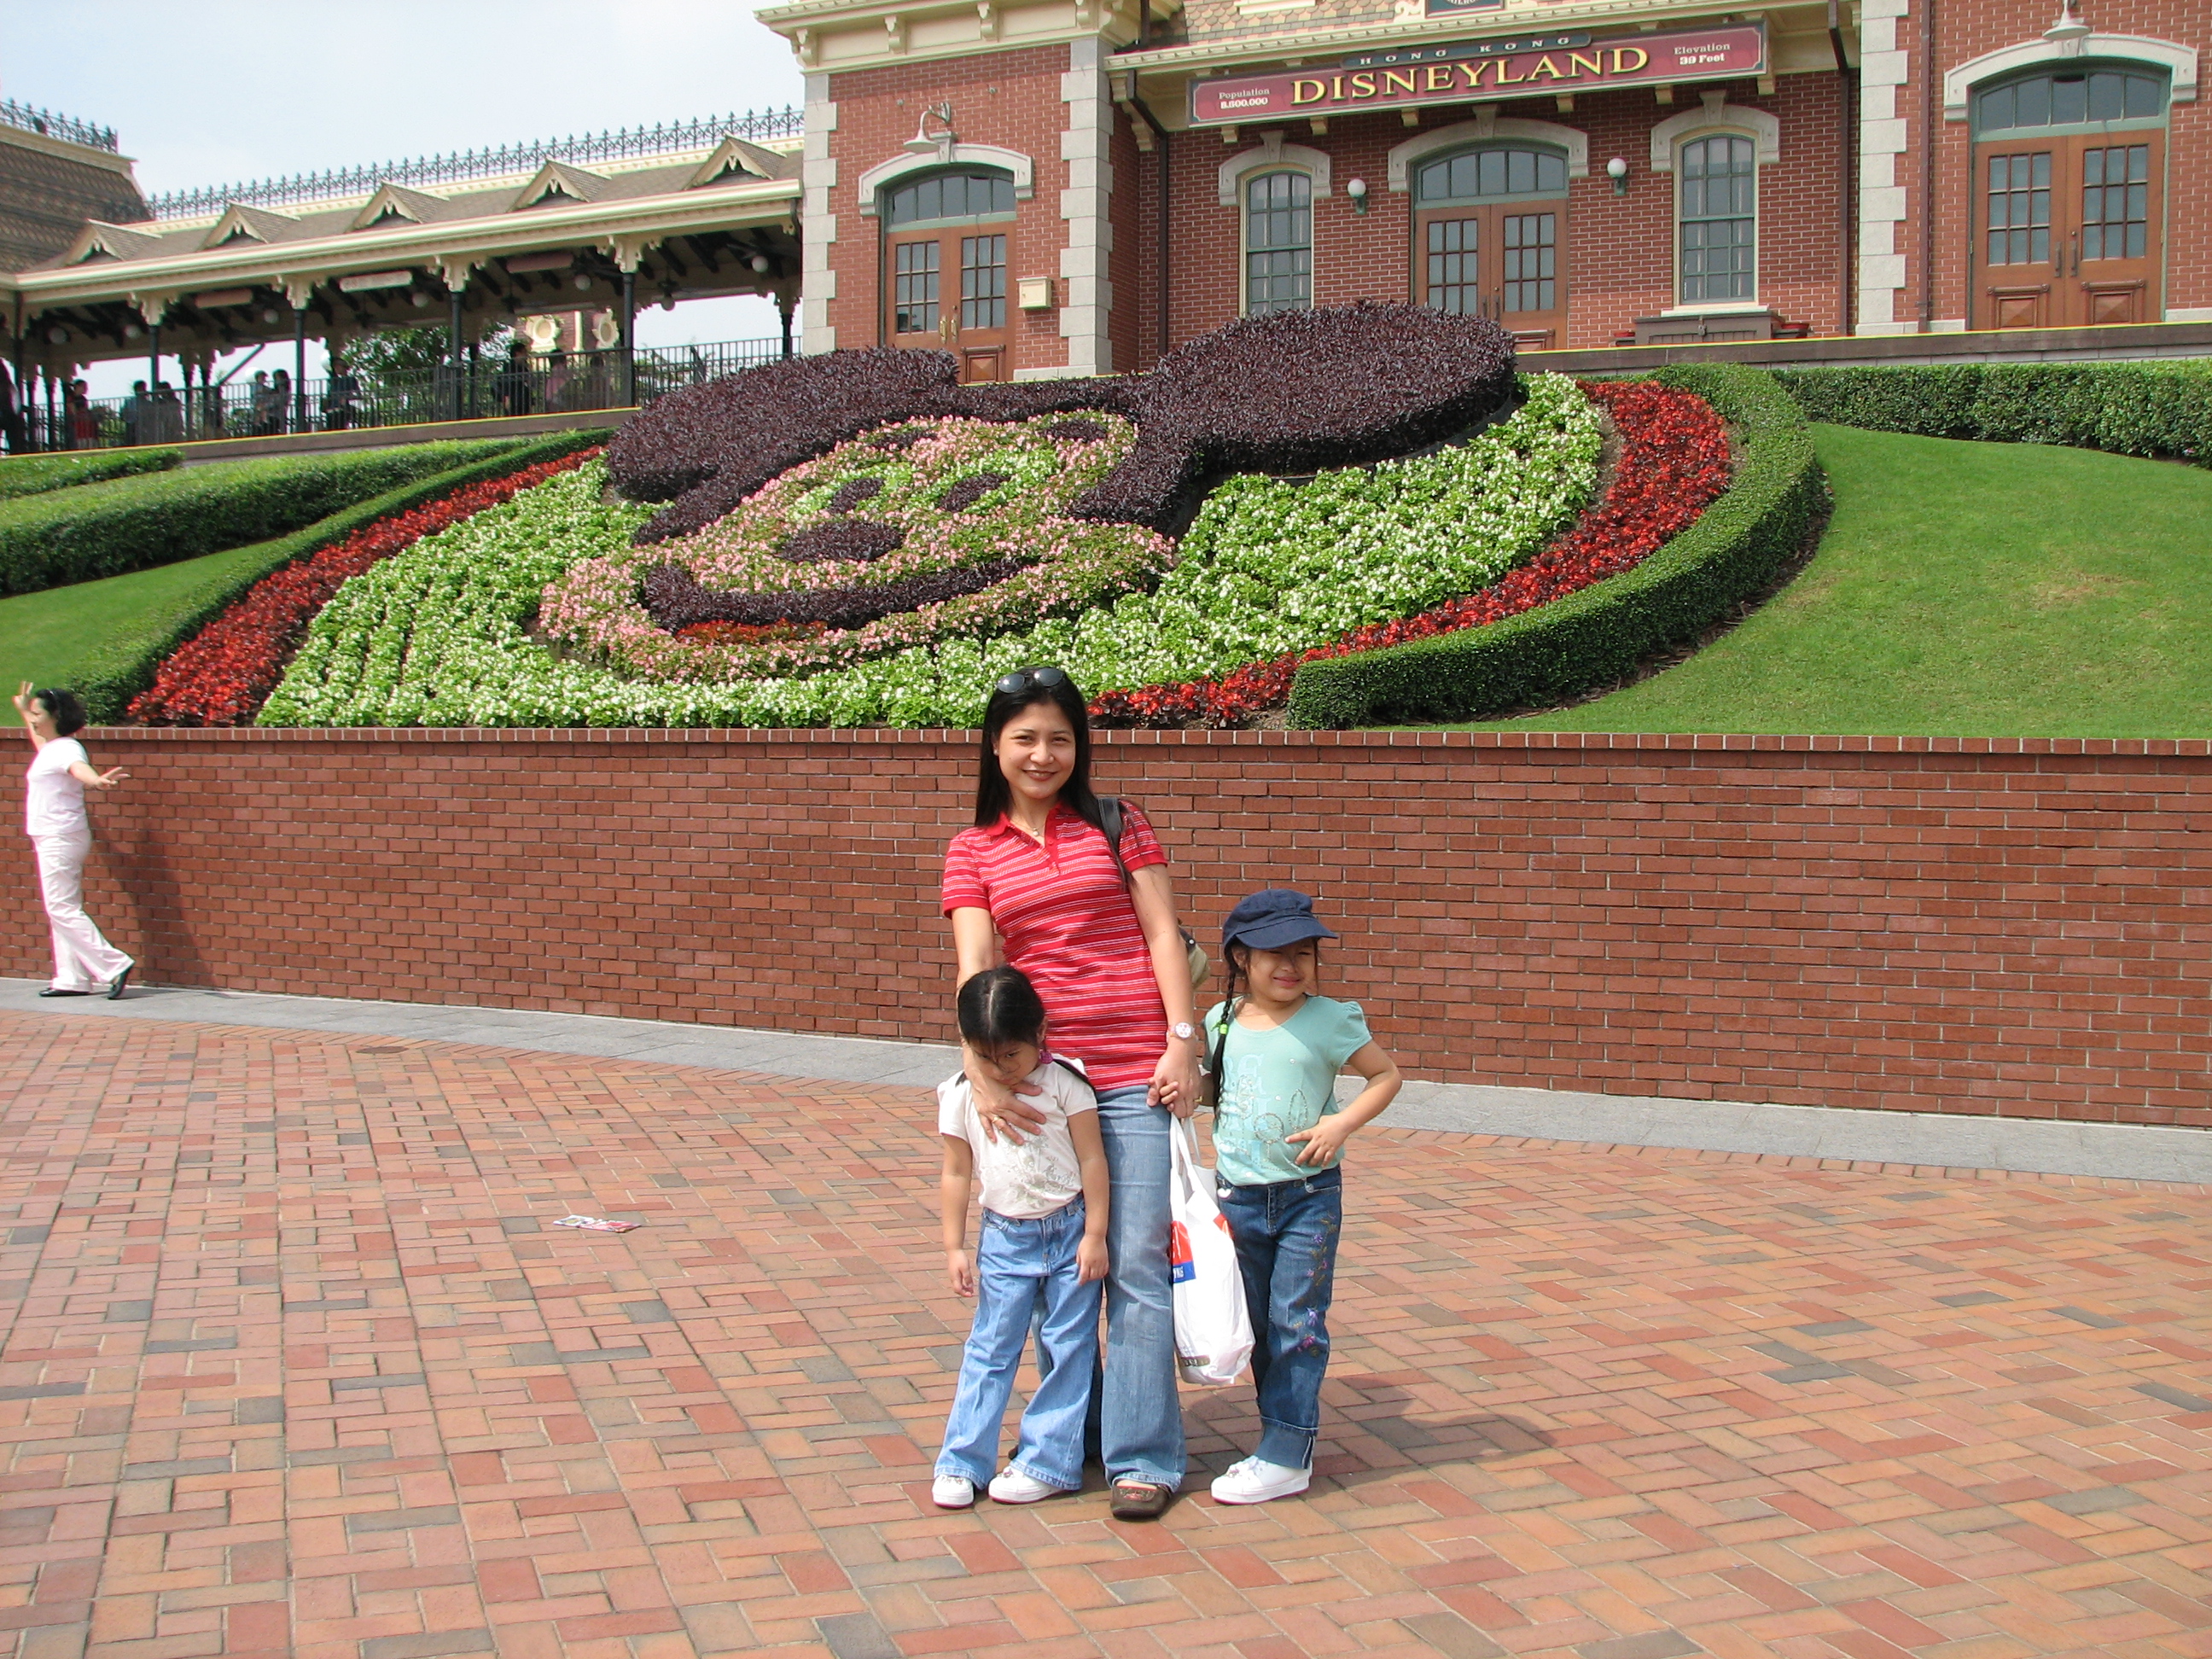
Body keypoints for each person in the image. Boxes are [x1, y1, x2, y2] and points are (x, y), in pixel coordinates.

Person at [942, 664, 1204, 1521]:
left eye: (1060, 738)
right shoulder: (972, 849)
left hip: (1133, 1071)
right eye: (1025, 737)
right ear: (995, 745)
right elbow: (977, 966)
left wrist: (1183, 1041)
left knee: (1134, 1262)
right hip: (1043, 1084)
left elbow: (1161, 934)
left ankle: (1143, 1457)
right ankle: (1077, 1432)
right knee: (1058, 1274)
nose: (1043, 754)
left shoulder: (1117, 823)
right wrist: (982, 1074)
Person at [1202, 888, 1400, 1505]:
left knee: (1298, 1323)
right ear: (1241, 958)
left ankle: (1287, 1452)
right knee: (1260, 1325)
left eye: (1304, 954)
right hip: (1236, 1198)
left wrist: (1341, 1124)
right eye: (1274, 954)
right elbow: (1213, 1091)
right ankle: (1279, 1439)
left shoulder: (1331, 1019)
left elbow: (1386, 1075)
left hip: (1309, 1197)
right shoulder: (1219, 1021)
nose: (1291, 966)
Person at [933, 966, 1110, 1510]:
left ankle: (1048, 1460)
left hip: (1070, 1230)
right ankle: (962, 1462)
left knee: (1069, 1347)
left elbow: (1092, 1159)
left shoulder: (1067, 1084)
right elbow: (955, 1171)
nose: (1001, 1068)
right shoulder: (961, 1095)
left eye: (1011, 1054)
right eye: (986, 1057)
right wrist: (954, 1246)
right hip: (1005, 1239)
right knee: (990, 1347)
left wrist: (1096, 1233)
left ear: (1041, 1033)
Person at [13, 683, 132, 1000]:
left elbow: (79, 769)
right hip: (52, 835)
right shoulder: (52, 748)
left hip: (60, 836)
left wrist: (97, 780)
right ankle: (71, 978)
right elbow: (41, 741)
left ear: (55, 716)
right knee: (62, 908)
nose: (34, 720)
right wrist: (24, 711)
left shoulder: (67, 749)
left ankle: (115, 964)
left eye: (38, 714)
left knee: (60, 908)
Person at [323, 353, 359, 431]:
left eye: (338, 366)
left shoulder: (350, 379)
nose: (336, 369)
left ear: (344, 368)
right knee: (330, 430)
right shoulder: (334, 380)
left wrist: (347, 398)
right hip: (331, 410)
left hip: (342, 409)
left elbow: (358, 394)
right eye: (335, 367)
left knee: (340, 428)